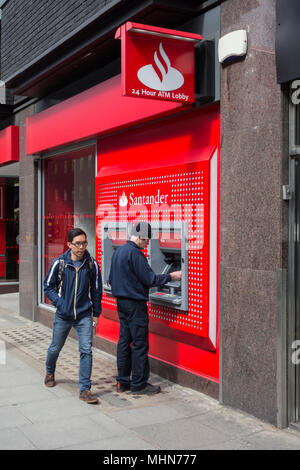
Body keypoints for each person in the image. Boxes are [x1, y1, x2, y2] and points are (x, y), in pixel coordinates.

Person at [109, 222, 181, 395]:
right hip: (135, 305)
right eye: (147, 240)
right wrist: (172, 275)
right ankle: (139, 384)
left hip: (121, 303)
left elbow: (111, 279)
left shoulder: (118, 252)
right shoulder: (135, 254)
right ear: (140, 237)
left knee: (124, 343)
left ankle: (123, 382)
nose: (147, 244)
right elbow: (150, 279)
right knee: (140, 344)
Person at [44, 227, 102, 404]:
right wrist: (60, 303)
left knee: (86, 350)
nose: (82, 247)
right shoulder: (59, 263)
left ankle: (85, 389)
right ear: (69, 244)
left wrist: (96, 314)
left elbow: (97, 291)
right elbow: (48, 287)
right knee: (55, 347)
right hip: (63, 315)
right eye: (78, 243)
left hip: (84, 315)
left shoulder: (92, 264)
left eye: (84, 242)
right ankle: (49, 371)